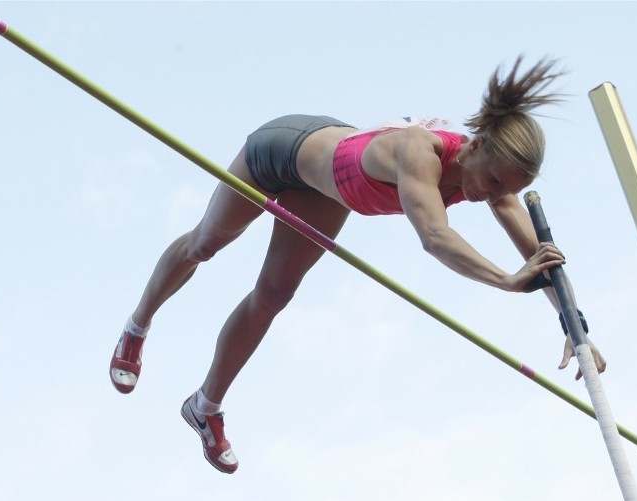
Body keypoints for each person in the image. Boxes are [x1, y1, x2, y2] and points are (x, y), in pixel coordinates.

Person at [109, 56, 607, 474]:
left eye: (508, 190)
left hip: (326, 189)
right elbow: (434, 236)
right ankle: (137, 326)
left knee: (276, 293)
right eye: (495, 181)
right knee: (205, 244)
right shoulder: (421, 155)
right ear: (475, 146)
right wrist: (505, 281)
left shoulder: (487, 182)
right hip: (279, 152)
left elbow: (537, 260)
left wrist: (571, 322)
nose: (494, 196)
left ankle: (205, 406)